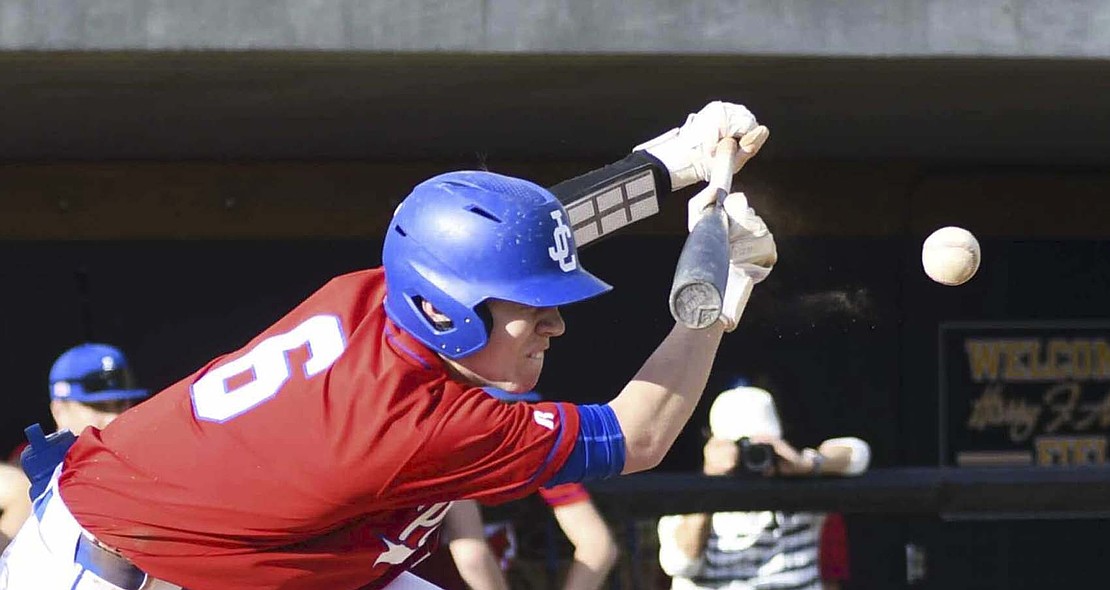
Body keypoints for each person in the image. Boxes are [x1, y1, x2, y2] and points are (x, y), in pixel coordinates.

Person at [0, 101, 777, 590]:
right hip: (113, 569)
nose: (556, 323)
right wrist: (717, 297)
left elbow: (513, 239)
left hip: (216, 545)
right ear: (445, 314)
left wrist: (667, 162)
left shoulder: (376, 294)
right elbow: (638, 436)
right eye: (532, 309)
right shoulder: (421, 423)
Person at [657, 385, 871, 590]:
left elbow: (859, 454)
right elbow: (679, 563)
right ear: (713, 444)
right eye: (741, 446)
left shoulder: (801, 489)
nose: (752, 457)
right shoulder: (689, 499)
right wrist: (711, 482)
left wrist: (806, 463)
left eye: (762, 447)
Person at [418, 389, 619, 590]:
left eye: (522, 414)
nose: (512, 426)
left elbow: (598, 546)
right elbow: (471, 553)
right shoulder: (451, 460)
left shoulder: (537, 455)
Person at [0, 343, 150, 551]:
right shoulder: (26, 468)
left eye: (120, 405)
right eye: (99, 407)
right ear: (59, 409)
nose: (114, 417)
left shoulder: (146, 463)